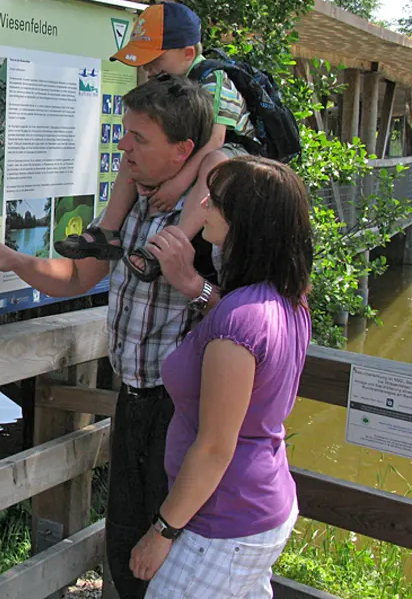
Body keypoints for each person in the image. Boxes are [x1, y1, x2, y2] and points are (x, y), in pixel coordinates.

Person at [0, 73, 217, 598]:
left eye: (139, 138)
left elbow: (249, 318)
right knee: (125, 545)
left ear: (182, 150)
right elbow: (78, 278)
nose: (123, 146)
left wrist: (195, 285)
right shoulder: (137, 204)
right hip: (134, 401)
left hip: (183, 411)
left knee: (174, 552)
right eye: (126, 133)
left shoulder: (216, 218)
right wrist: (13, 260)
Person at [129, 156, 312, 598]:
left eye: (217, 199)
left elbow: (214, 447)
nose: (203, 203)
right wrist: (196, 285)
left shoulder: (239, 323)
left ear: (244, 223)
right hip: (260, 505)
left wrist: (162, 531)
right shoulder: (287, 300)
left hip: (221, 522)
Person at [57, 1, 253, 282]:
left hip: (229, 152)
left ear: (187, 53)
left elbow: (214, 141)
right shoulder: (168, 83)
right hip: (190, 149)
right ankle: (107, 232)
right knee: (131, 148)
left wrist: (177, 184)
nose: (147, 68)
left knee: (214, 162)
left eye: (155, 60)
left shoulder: (213, 79)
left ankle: (175, 241)